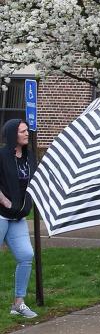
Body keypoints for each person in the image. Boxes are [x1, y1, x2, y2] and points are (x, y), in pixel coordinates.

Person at [1, 118, 38, 319]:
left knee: (26, 256)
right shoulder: (1, 155)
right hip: (1, 215)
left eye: (26, 131)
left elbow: (34, 181)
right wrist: (5, 202)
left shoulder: (29, 156)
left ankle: (18, 303)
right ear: (12, 134)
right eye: (22, 131)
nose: (26, 134)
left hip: (18, 217)